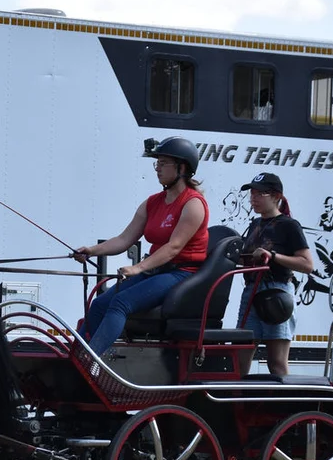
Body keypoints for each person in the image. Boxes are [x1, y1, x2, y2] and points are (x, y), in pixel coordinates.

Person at [73, 137, 209, 357]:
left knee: (120, 303)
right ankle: (76, 355)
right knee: (99, 304)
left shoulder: (193, 204)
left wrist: (137, 268)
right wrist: (90, 250)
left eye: (163, 163)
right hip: (156, 271)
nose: (158, 169)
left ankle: (90, 360)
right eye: (157, 163)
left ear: (182, 167)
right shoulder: (152, 202)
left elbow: (174, 248)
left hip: (180, 273)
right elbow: (124, 239)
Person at [237, 172, 314, 376]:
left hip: (276, 293)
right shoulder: (254, 224)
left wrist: (272, 256)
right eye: (252, 193)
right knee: (239, 358)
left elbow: (307, 264)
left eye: (260, 193)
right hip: (251, 292)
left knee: (276, 362)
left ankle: (284, 405)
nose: (253, 198)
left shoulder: (289, 225)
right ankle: (239, 403)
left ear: (276, 197)